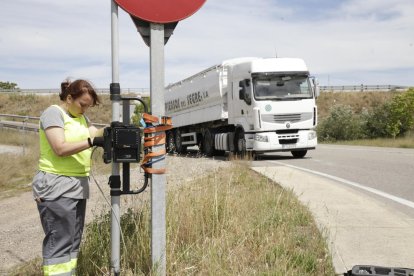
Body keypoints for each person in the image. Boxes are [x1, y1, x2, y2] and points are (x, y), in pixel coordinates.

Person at [32, 79, 104, 276]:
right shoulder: (54, 113)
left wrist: (117, 129)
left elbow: (97, 133)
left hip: (77, 187)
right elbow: (60, 148)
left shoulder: (82, 119)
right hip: (56, 187)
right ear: (69, 98)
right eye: (82, 104)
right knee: (61, 243)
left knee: (72, 242)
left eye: (88, 107)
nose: (84, 110)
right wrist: (91, 141)